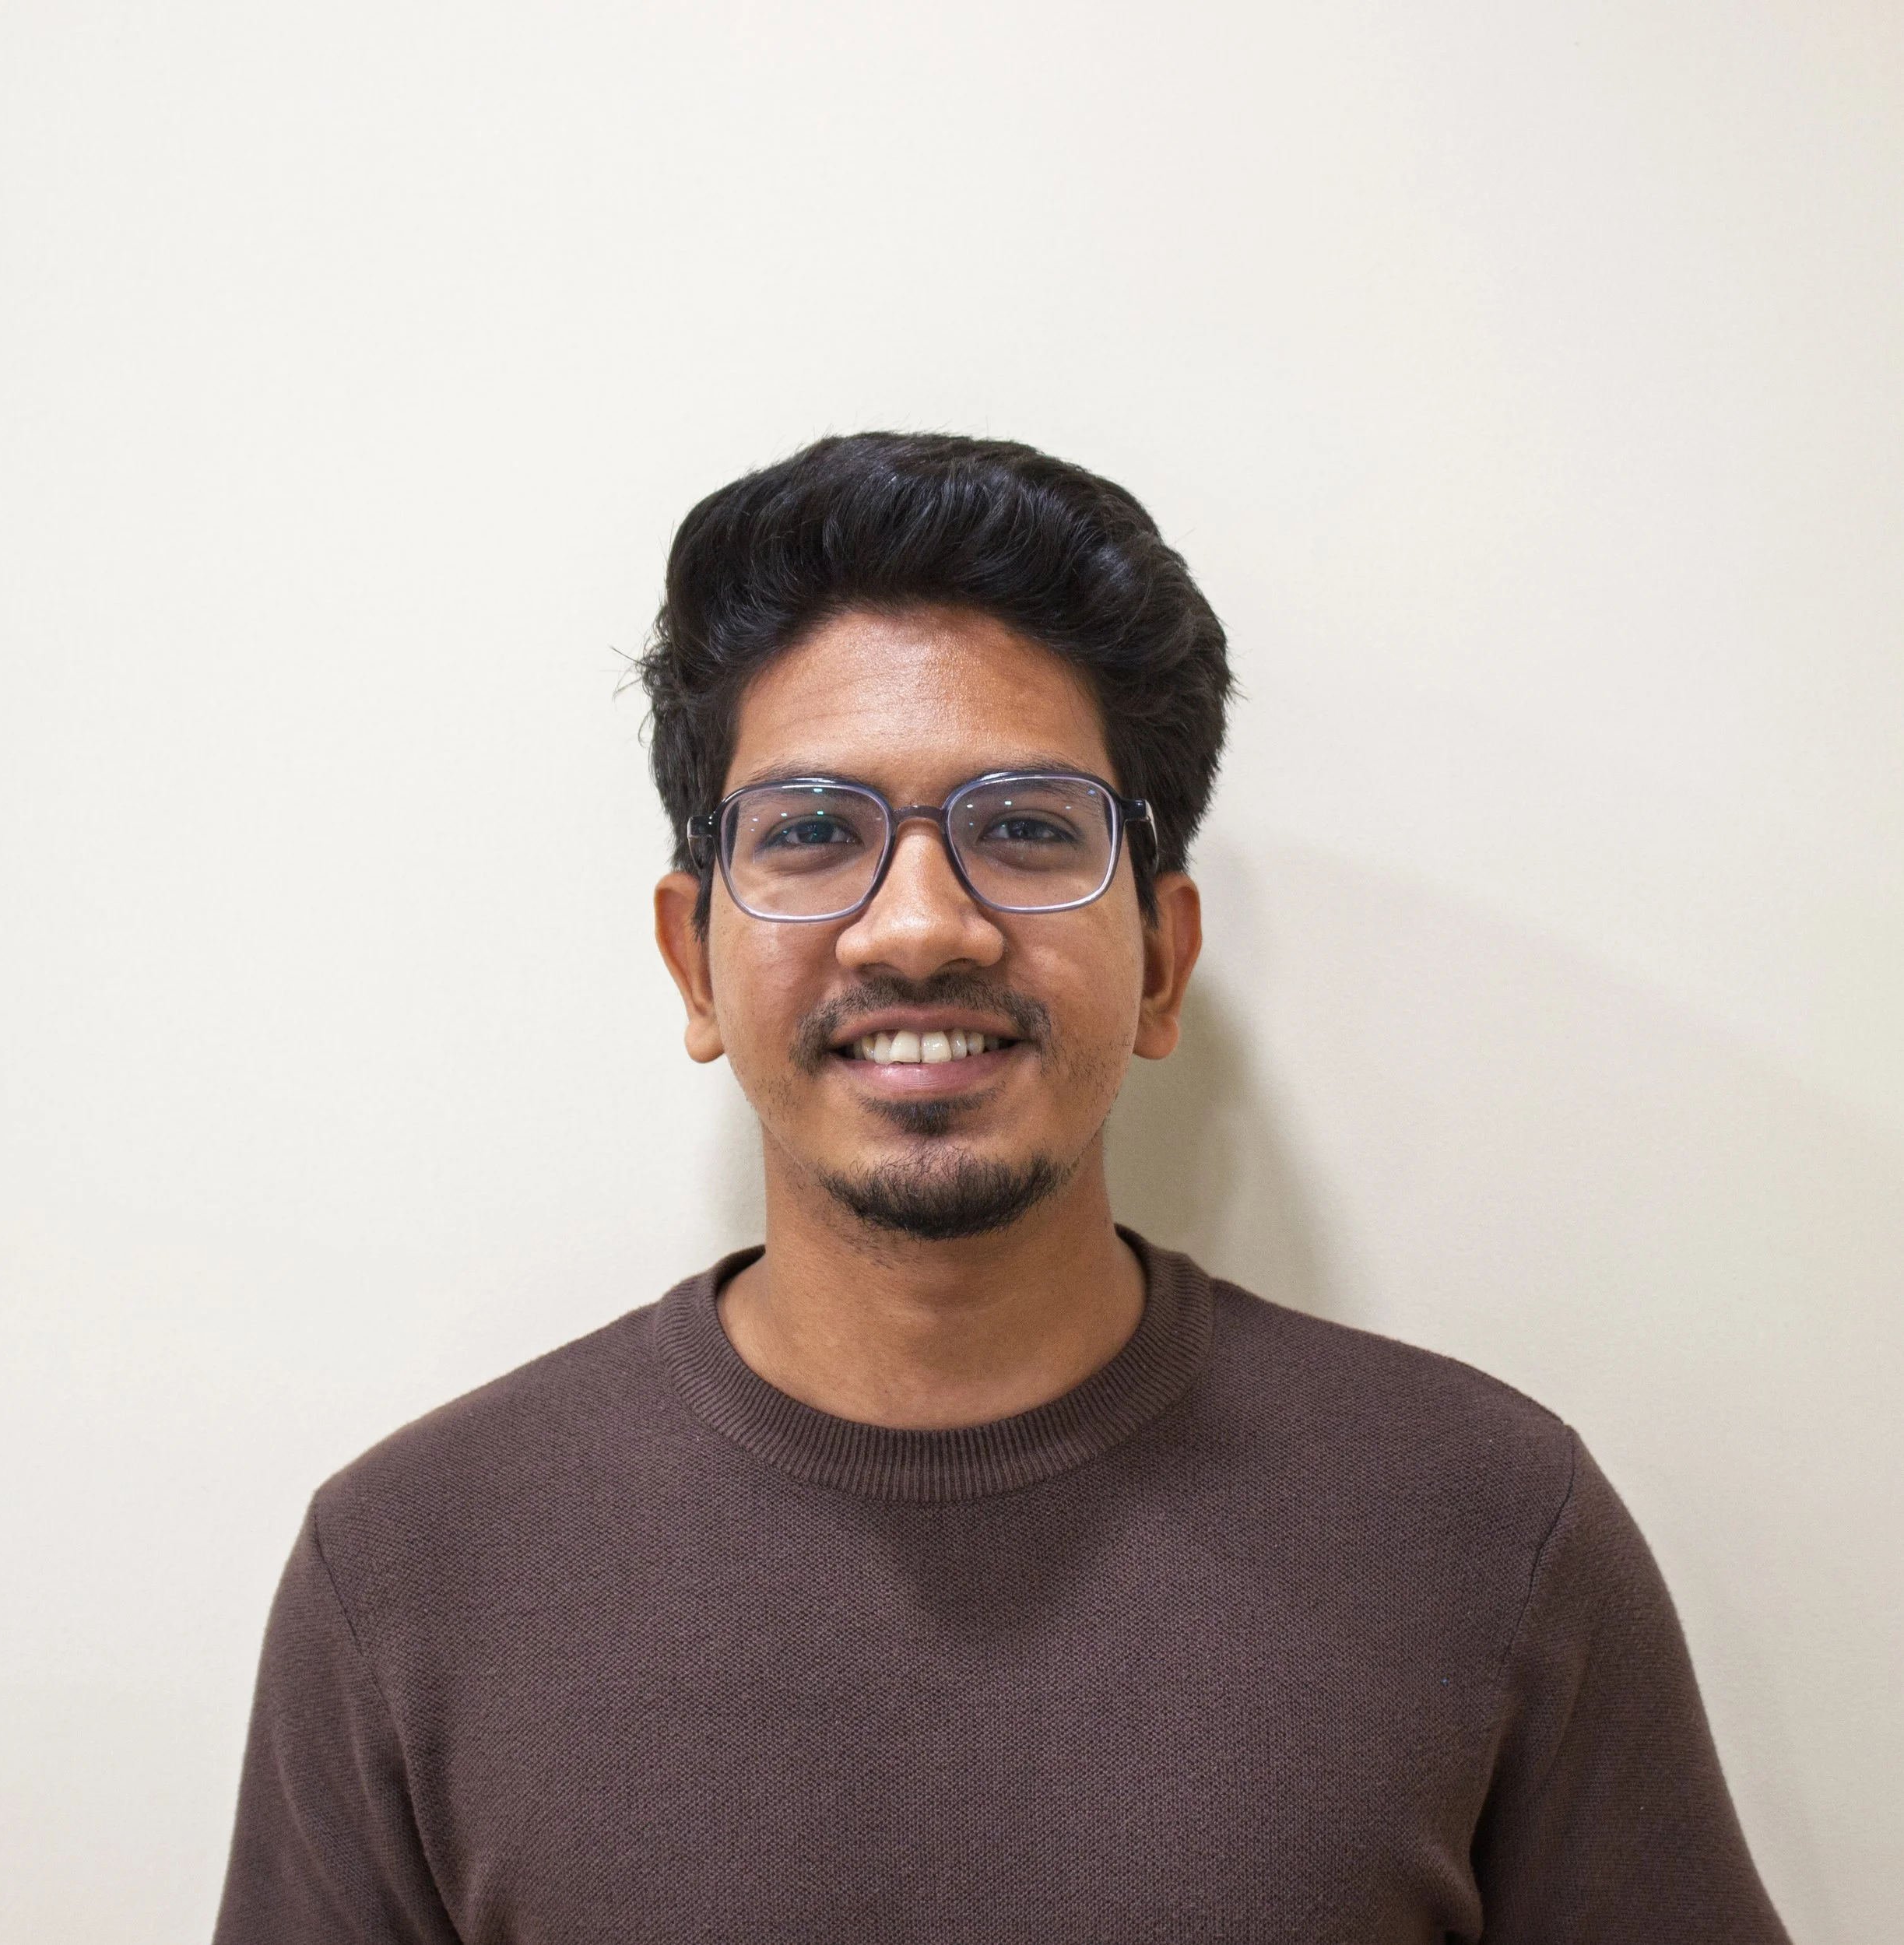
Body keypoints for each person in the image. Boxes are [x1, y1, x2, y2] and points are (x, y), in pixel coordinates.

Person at [213, 433, 1789, 1942]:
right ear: (688, 959)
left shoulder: (1484, 1527)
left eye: (1026, 829)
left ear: (1162, 960)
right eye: (815, 830)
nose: (916, 925)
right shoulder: (416, 1570)